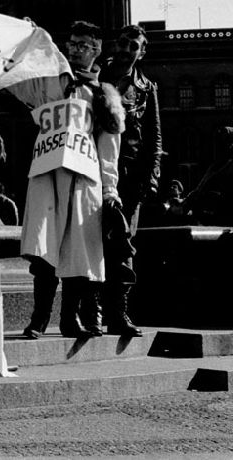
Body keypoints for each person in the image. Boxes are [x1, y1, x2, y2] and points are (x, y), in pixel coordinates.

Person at [9, 22, 125, 339]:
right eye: (72, 43)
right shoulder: (50, 81)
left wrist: (110, 189)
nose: (75, 49)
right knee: (44, 249)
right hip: (48, 175)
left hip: (83, 181)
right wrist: (18, 41)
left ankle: (69, 319)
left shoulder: (102, 94)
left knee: (77, 253)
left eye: (83, 44)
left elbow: (108, 149)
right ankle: (38, 319)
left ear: (97, 50)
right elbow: (15, 83)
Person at [101, 25, 162, 337]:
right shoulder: (97, 76)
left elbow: (154, 137)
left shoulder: (147, 88)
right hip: (94, 169)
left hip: (130, 177)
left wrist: (151, 178)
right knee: (91, 241)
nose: (127, 49)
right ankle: (90, 312)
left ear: (142, 51)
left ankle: (118, 313)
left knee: (123, 246)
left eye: (134, 45)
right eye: (123, 43)